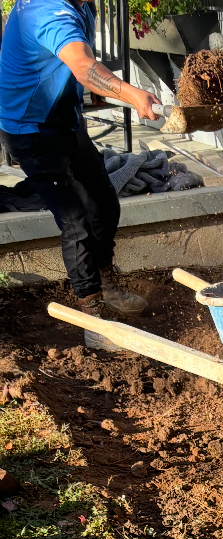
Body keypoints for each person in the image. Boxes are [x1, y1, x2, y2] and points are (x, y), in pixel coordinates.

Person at [0, 0, 162, 317]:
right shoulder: (49, 11)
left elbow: (72, 59)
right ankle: (93, 315)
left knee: (103, 203)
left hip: (66, 121)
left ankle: (105, 282)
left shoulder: (81, 5)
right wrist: (132, 94)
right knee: (76, 222)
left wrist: (97, 90)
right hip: (31, 130)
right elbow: (83, 66)